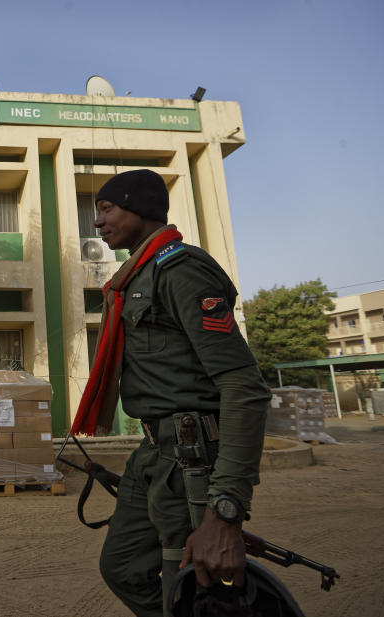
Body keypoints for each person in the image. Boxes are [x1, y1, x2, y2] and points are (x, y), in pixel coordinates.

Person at [76, 169, 270, 617]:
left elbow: (244, 386)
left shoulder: (181, 270)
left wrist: (224, 511)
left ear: (139, 207)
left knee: (185, 584)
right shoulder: (134, 278)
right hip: (154, 450)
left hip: (191, 456)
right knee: (122, 565)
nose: (98, 223)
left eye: (106, 209)